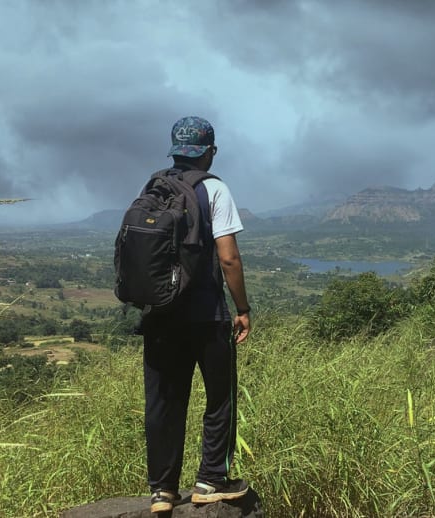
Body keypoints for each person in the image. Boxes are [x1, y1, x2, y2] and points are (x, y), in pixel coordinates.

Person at [141, 116, 252, 513]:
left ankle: (162, 491)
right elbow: (229, 257)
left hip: (159, 315)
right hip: (206, 315)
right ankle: (211, 480)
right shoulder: (214, 189)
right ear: (210, 151)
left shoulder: (154, 187)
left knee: (164, 401)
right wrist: (243, 309)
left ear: (174, 148)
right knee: (220, 397)